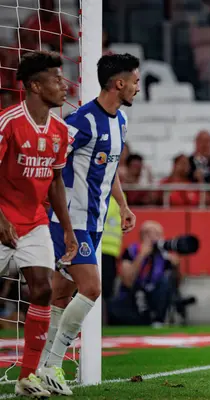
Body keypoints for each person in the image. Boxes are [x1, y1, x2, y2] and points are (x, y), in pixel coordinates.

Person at [38, 53, 139, 396]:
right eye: (136, 81)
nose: (139, 88)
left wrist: (123, 205)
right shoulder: (81, 122)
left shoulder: (120, 121)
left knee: (62, 294)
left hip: (94, 222)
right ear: (119, 83)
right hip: (70, 220)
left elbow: (108, 172)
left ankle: (39, 368)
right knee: (92, 288)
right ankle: (52, 365)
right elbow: (52, 166)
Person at [0, 51, 77, 398]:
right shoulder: (8, 123)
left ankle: (26, 378)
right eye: (56, 79)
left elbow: (56, 182)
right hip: (1, 218)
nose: (64, 85)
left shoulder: (60, 130)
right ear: (34, 85)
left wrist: (67, 227)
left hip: (34, 222)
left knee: (43, 289)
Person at [106, 221, 179, 327]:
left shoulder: (164, 255)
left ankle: (158, 320)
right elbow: (127, 281)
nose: (154, 238)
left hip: (154, 294)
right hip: (134, 295)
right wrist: (141, 256)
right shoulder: (131, 251)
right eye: (149, 234)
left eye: (157, 234)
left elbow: (175, 284)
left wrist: (176, 265)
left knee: (165, 281)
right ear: (142, 236)